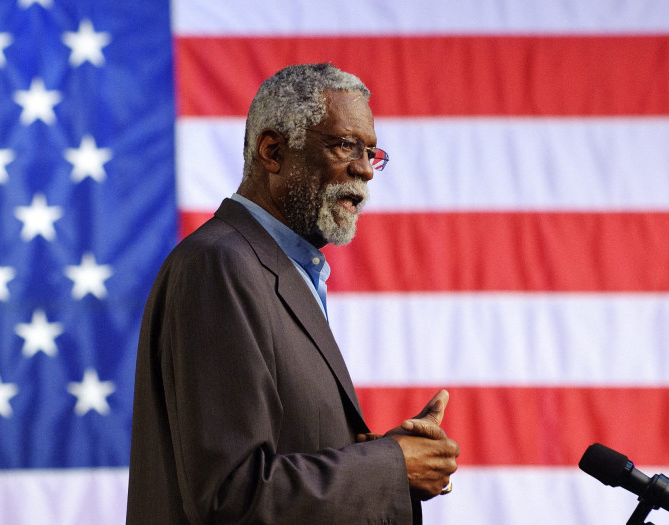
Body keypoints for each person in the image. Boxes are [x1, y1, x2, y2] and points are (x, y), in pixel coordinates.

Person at [126, 63, 460, 524]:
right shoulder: (220, 265)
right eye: (346, 145)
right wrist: (391, 466)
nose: (364, 170)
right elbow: (231, 496)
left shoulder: (285, 270)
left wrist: (380, 458)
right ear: (273, 150)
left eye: (371, 152)